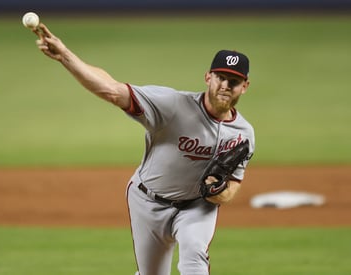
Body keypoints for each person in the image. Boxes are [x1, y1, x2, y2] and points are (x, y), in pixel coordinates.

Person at [32, 23, 255, 275]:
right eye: (220, 78)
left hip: (197, 207)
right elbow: (113, 91)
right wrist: (65, 57)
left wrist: (219, 193)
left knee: (194, 258)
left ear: (244, 86)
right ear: (208, 77)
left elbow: (233, 184)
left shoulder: (243, 134)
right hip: (148, 201)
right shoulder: (172, 106)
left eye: (233, 81)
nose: (225, 85)